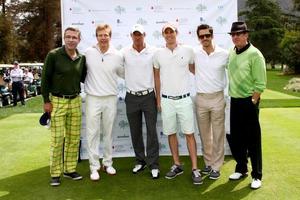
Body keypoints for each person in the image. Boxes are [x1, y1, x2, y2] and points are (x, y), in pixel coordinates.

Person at [153, 22, 202, 185]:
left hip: (184, 99)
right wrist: (158, 99)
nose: (169, 35)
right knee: (171, 133)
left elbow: (197, 69)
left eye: (171, 32)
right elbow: (157, 78)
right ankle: (177, 164)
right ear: (163, 35)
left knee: (189, 134)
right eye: (166, 33)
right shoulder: (158, 54)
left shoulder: (188, 51)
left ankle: (195, 168)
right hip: (167, 100)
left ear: (176, 33)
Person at [41, 27, 87, 186]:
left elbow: (83, 77)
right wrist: (46, 101)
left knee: (74, 139)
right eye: (68, 37)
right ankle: (55, 173)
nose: (71, 40)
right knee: (57, 139)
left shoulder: (82, 58)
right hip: (57, 101)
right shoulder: (54, 55)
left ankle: (69, 170)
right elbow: (45, 79)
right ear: (64, 38)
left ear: (79, 40)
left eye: (74, 37)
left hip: (75, 100)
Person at [226, 21, 267, 189]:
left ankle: (256, 175)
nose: (235, 37)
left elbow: (260, 83)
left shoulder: (255, 54)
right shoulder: (232, 52)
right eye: (233, 34)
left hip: (249, 101)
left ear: (246, 35)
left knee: (253, 140)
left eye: (239, 34)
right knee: (236, 138)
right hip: (234, 101)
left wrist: (253, 101)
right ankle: (241, 168)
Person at [84, 24, 124, 181]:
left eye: (106, 35)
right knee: (92, 133)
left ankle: (108, 163)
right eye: (100, 35)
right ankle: (94, 167)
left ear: (110, 36)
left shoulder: (117, 55)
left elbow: (125, 73)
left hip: (110, 98)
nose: (103, 37)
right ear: (96, 37)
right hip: (93, 97)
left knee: (108, 133)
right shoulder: (88, 53)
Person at [121, 24, 159, 179]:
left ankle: (154, 164)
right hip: (131, 97)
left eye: (140, 34)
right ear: (131, 36)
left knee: (151, 131)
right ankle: (140, 161)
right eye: (135, 34)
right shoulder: (124, 52)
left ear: (145, 35)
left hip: (149, 96)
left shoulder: (154, 51)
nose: (137, 37)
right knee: (135, 131)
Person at [194, 24, 229, 179]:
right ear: (198, 38)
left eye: (207, 35)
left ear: (212, 35)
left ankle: (216, 166)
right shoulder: (195, 53)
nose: (205, 39)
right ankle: (208, 164)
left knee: (218, 134)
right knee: (204, 135)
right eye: (201, 36)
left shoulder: (224, 54)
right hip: (201, 98)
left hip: (217, 97)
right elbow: (190, 67)